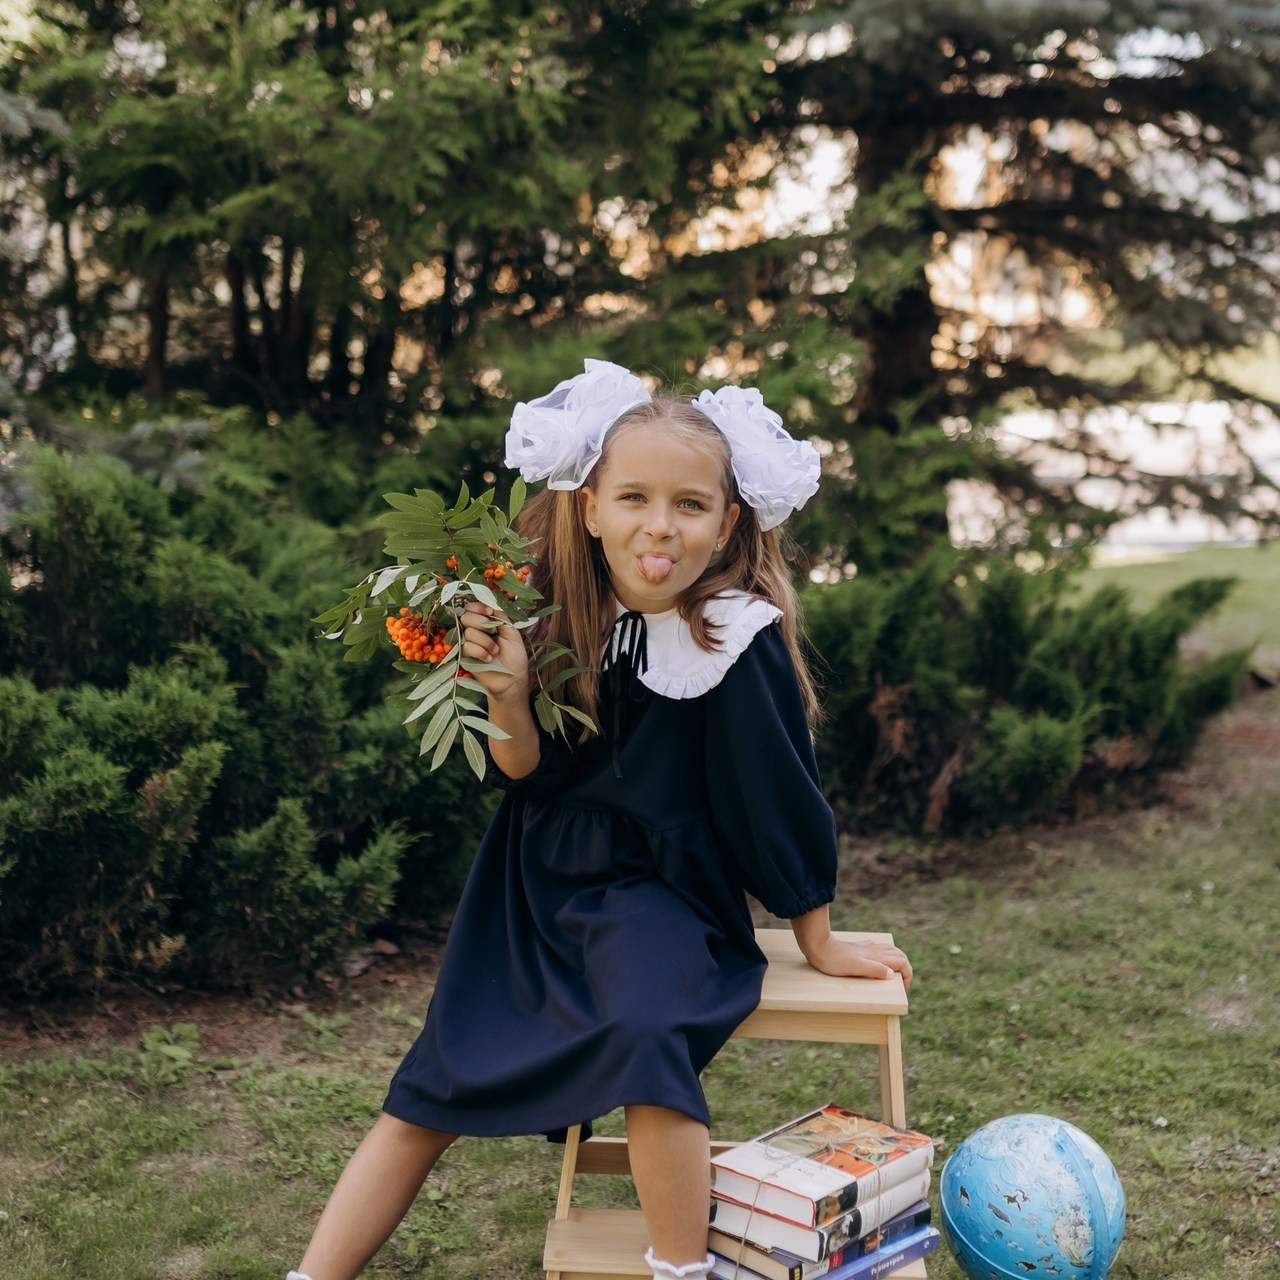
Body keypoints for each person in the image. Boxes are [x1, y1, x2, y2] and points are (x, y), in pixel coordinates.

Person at [286, 359, 913, 1280]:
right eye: (634, 498)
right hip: (532, 884)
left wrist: (815, 934)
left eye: (690, 505)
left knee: (648, 1034)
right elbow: (525, 775)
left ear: (727, 521)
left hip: (665, 892)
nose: (660, 525)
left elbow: (777, 796)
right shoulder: (553, 611)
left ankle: (679, 1269)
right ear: (589, 507)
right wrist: (506, 698)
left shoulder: (734, 637)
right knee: (432, 1081)